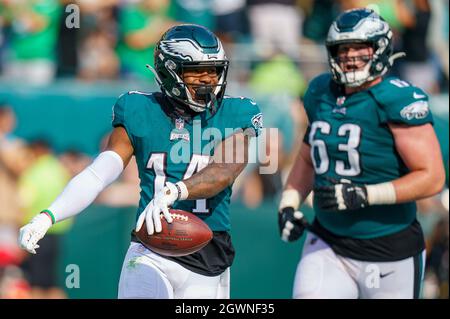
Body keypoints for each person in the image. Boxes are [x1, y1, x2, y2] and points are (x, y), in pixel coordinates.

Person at [18, 24, 262, 299]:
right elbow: (100, 173)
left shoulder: (236, 112)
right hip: (151, 244)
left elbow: (224, 171)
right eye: (196, 70)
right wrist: (48, 215)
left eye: (214, 70)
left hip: (208, 250)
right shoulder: (139, 109)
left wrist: (175, 190)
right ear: (170, 71)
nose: (208, 79)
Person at [278, 8, 445, 299]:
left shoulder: (398, 98)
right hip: (328, 240)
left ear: (379, 49)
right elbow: (307, 156)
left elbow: (431, 178)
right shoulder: (320, 91)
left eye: (360, 48)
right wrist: (289, 202)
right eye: (343, 49)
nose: (350, 56)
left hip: (389, 248)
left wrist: (365, 194)